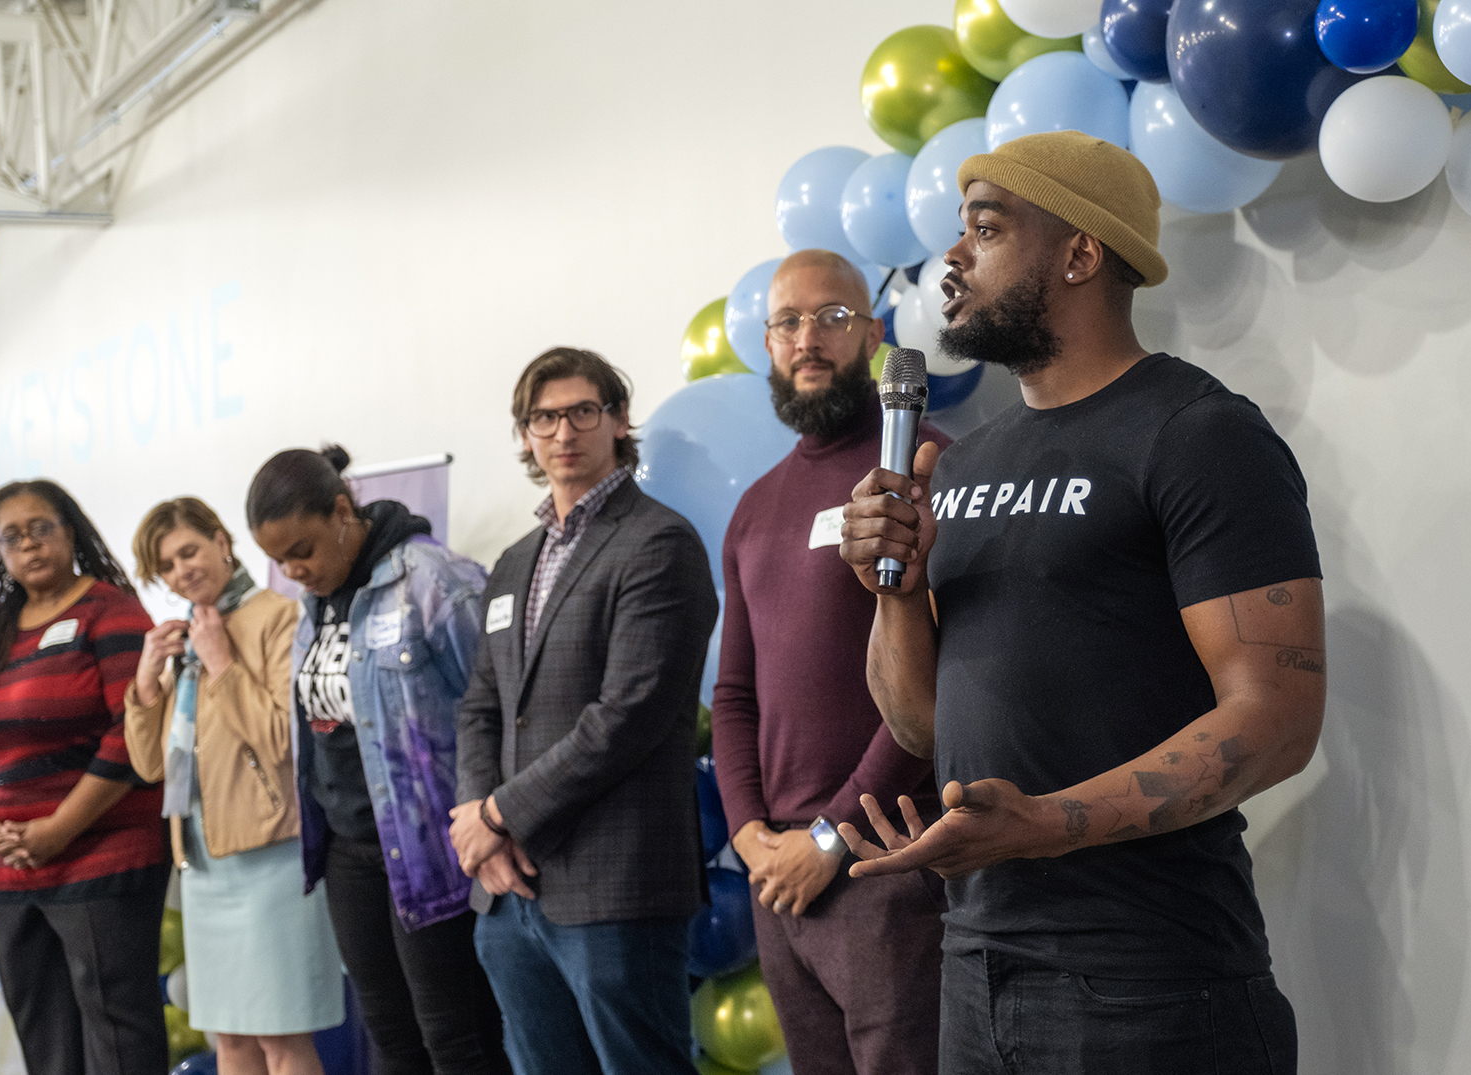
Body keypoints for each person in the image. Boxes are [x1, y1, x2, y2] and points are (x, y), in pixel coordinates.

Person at [837, 131, 1325, 1075]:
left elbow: (1279, 717)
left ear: (1080, 252)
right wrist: (891, 589)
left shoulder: (1198, 434)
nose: (952, 255)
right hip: (976, 968)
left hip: (1149, 981)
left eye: (985, 228)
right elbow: (921, 719)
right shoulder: (964, 460)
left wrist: (1047, 822)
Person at [711, 249, 949, 1075]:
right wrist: (751, 836)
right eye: (787, 322)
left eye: (831, 317)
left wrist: (829, 836)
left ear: (874, 334)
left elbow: (936, 685)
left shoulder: (925, 467)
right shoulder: (754, 506)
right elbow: (734, 692)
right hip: (779, 877)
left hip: (886, 856)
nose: (807, 338)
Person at [449, 347, 718, 1075]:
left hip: (616, 881)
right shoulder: (512, 561)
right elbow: (481, 704)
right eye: (545, 417)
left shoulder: (659, 542)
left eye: (582, 411)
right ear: (527, 435)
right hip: (509, 890)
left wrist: (499, 813)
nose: (563, 431)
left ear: (618, 420)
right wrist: (480, 816)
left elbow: (629, 714)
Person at [247, 447, 508, 1075]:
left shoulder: (434, 579)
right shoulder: (314, 603)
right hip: (349, 852)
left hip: (435, 848)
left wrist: (493, 823)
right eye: (279, 560)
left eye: (302, 550)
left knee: (458, 1039)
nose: (293, 571)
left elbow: (496, 708)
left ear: (342, 510)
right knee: (392, 1039)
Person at [0, 480, 168, 1075]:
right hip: (16, 864)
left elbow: (133, 734)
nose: (30, 545)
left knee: (117, 1038)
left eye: (41, 528)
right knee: (44, 1037)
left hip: (105, 853)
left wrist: (59, 827)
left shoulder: (111, 613)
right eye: (11, 537)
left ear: (70, 529)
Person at [124, 497, 341, 1075]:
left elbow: (282, 741)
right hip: (204, 859)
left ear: (221, 540)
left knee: (282, 1041)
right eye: (167, 566)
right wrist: (146, 685)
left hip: (272, 854)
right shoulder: (193, 633)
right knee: (232, 1041)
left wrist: (223, 664)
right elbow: (152, 766)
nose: (182, 571)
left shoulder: (279, 615)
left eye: (188, 551)